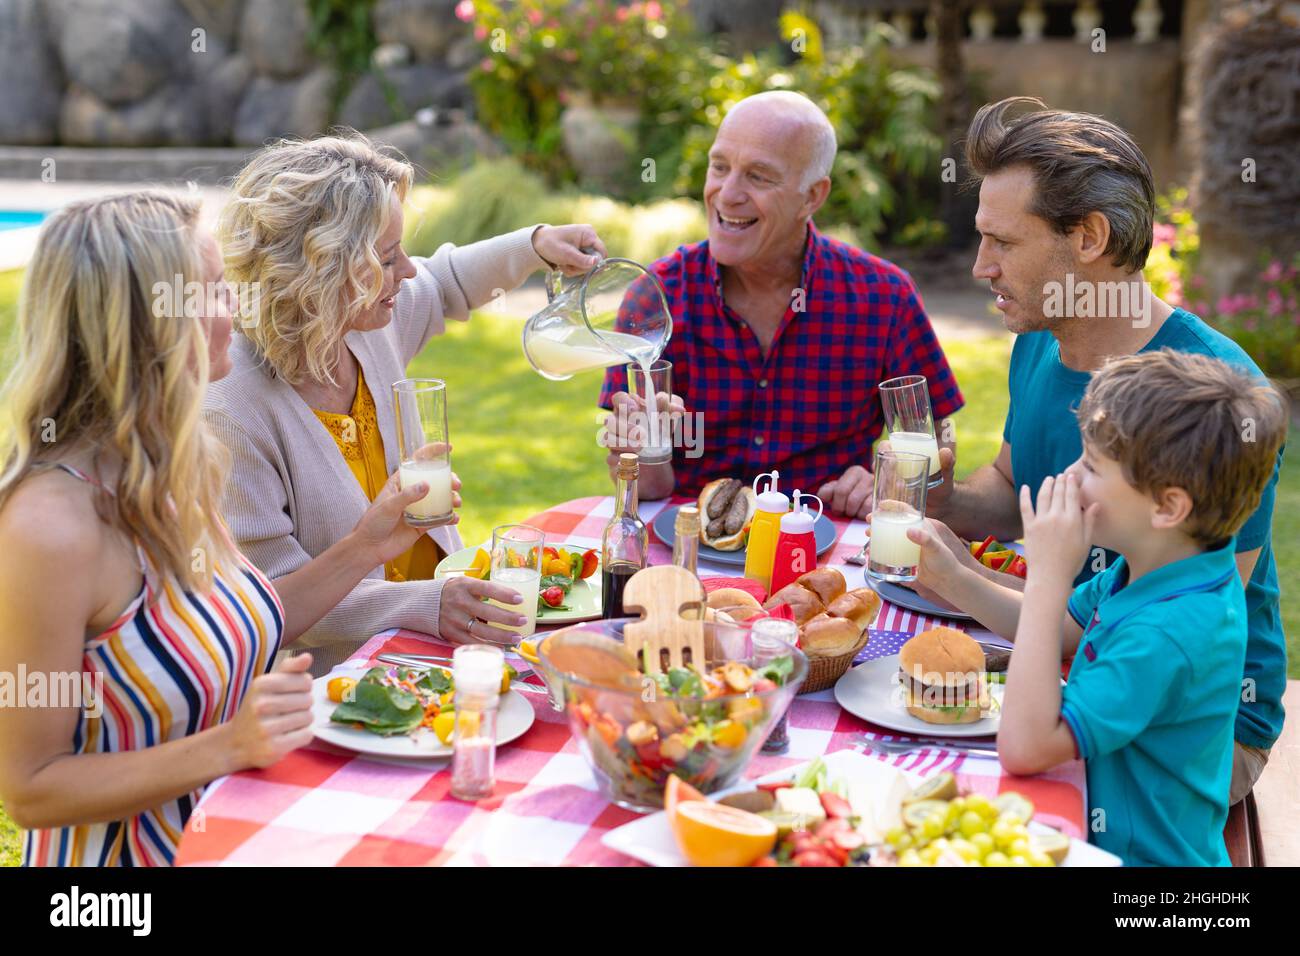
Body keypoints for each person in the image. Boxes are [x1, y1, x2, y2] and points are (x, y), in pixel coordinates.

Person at [0, 192, 434, 865]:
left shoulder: (181, 462)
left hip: (242, 843)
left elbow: (242, 620)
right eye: (214, 291)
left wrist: (365, 546)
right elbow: (30, 788)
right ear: (147, 323)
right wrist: (231, 745)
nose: (240, 310)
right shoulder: (49, 528)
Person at [913, 97, 1288, 805]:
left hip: (1190, 726)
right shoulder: (1037, 338)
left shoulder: (1212, 396)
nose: (980, 267)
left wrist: (1000, 594)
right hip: (1077, 647)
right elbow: (1012, 487)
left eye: (1004, 243)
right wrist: (945, 502)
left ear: (1088, 237)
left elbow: (1179, 626)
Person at [206, 132, 606, 675]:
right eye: (389, 258)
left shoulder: (364, 323)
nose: (409, 271)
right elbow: (272, 602)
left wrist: (534, 246)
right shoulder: (230, 407)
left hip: (443, 644)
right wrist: (425, 606)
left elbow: (446, 283)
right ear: (323, 274)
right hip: (343, 687)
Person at [920, 351, 1286, 865]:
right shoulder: (1161, 563)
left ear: (1168, 507)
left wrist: (1047, 573)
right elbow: (1063, 632)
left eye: (1090, 466)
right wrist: (955, 577)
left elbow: (1025, 748)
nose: (1069, 476)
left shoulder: (1169, 632)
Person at [599, 91, 963, 517]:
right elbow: (650, 487)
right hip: (687, 545)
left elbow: (939, 434)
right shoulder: (655, 296)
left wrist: (896, 479)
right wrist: (641, 454)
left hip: (830, 553)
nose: (726, 193)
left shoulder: (884, 296)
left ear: (812, 197)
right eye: (719, 167)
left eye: (758, 176)